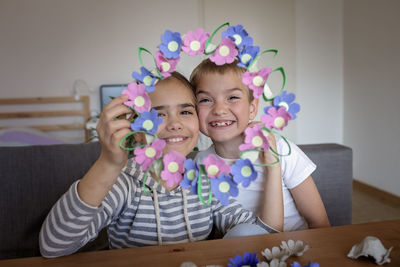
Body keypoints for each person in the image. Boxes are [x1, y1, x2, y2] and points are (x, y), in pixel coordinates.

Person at [39, 72, 280, 258]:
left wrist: (272, 164)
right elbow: (53, 246)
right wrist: (109, 164)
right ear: (137, 130)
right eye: (159, 115)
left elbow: (256, 234)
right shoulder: (125, 183)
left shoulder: (204, 179)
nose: (174, 124)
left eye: (186, 112)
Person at [190, 59, 331, 231]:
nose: (219, 109)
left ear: (252, 108)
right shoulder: (200, 163)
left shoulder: (281, 150)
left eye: (232, 97)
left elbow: (319, 222)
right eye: (205, 100)